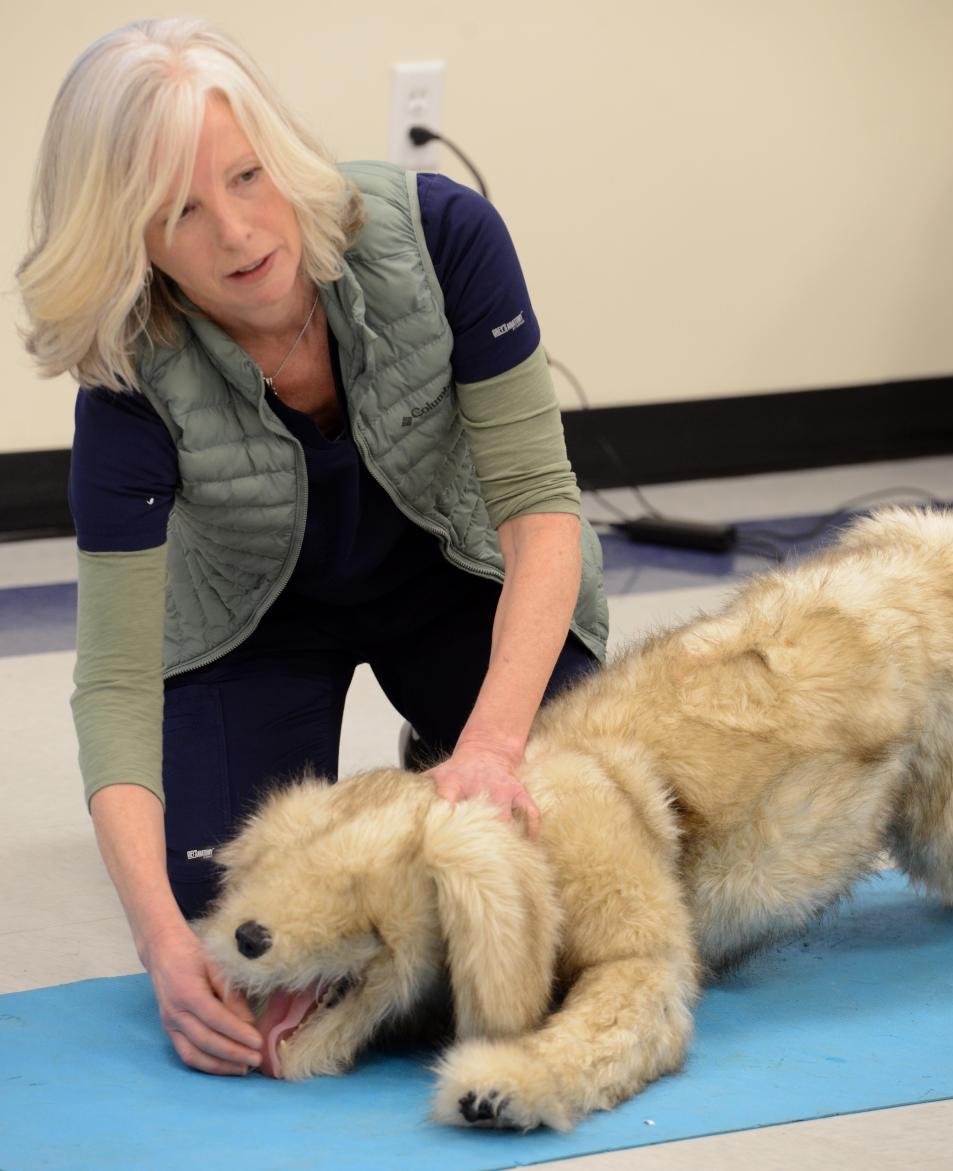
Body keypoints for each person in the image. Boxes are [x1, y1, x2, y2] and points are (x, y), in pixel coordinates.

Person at [16, 17, 608, 1078]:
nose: (238, 234)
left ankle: (438, 753)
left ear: (282, 151)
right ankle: (395, 809)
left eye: (248, 176)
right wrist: (157, 936)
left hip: (453, 576)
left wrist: (488, 750)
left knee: (578, 853)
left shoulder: (445, 237)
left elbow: (537, 510)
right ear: (131, 240)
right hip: (253, 619)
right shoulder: (127, 373)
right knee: (243, 933)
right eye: (179, 212)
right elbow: (112, 682)